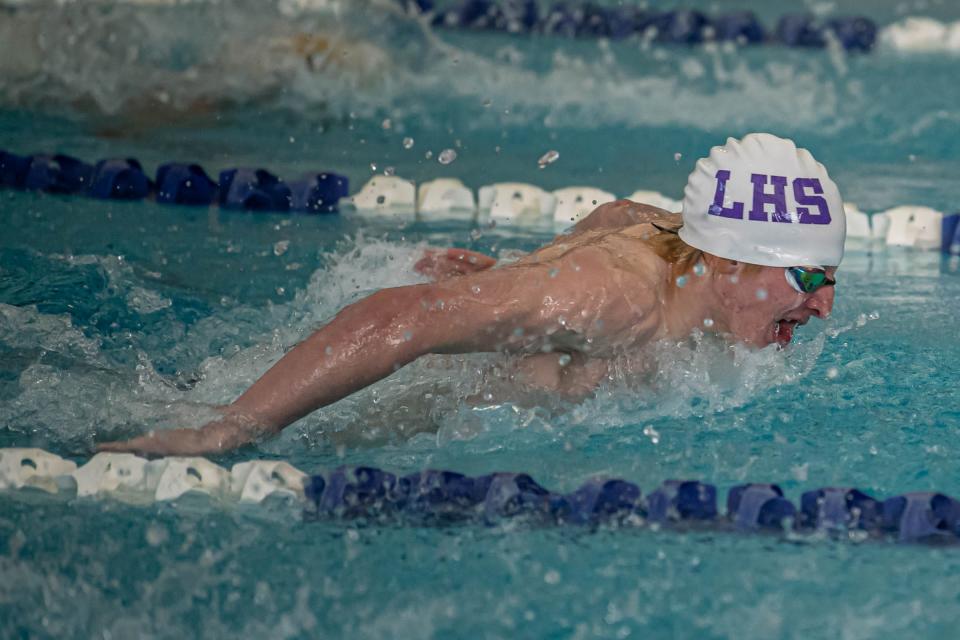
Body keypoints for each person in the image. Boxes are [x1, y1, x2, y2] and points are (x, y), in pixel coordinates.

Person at [99, 132, 844, 456]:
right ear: (729, 259)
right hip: (377, 401)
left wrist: (513, 278)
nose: (824, 308)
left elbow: (618, 216)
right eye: (809, 279)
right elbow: (400, 315)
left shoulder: (670, 240)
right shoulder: (617, 302)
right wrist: (227, 430)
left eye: (831, 280)